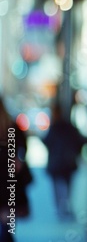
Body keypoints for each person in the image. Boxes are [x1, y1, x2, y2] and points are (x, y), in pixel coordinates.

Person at [43, 103, 87, 219]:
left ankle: (60, 208)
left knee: (58, 187)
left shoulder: (57, 128)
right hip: (67, 162)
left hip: (58, 162)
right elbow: (80, 142)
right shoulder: (69, 128)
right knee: (66, 186)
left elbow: (47, 142)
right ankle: (64, 207)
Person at [0, 97, 32, 242]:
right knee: (7, 225)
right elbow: (23, 148)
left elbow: (22, 148)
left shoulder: (11, 127)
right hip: (9, 181)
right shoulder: (11, 126)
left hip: (7, 179)